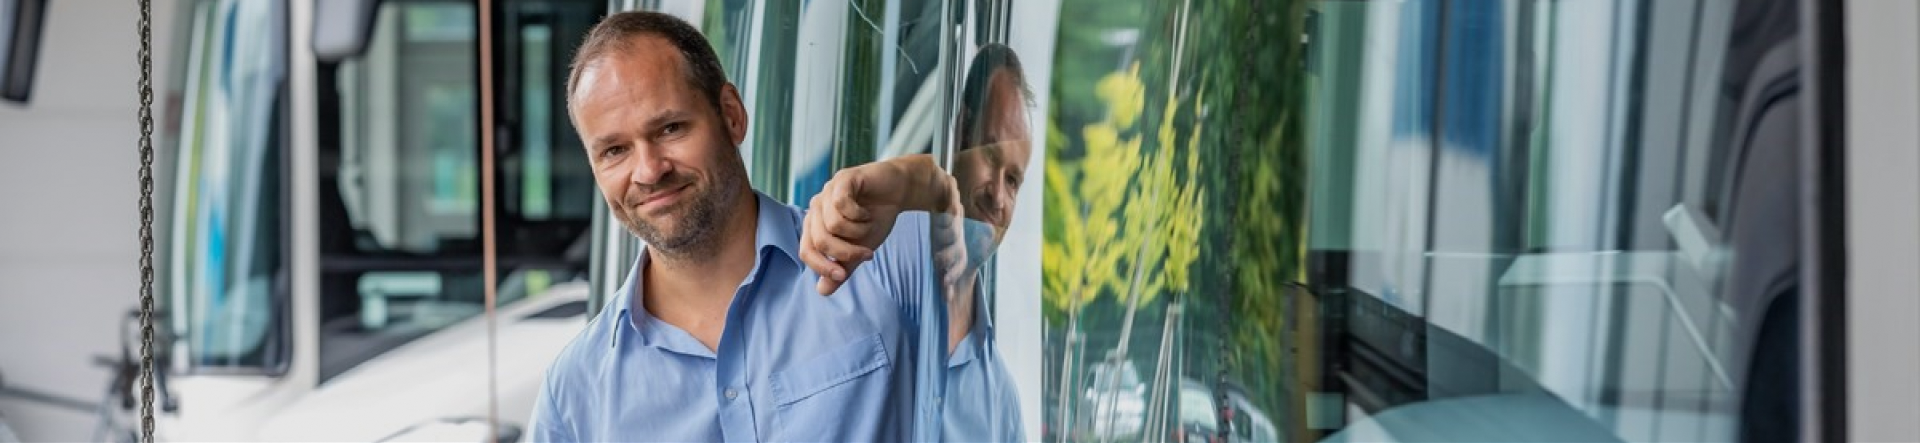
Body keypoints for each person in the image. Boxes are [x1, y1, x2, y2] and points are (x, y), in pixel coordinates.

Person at [525, 11, 1016, 442]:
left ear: (732, 116)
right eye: (615, 151)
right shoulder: (575, 394)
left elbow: (1007, 180)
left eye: (670, 128)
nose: (649, 170)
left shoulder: (881, 255)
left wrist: (904, 181)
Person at [807, 43, 1034, 442]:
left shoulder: (1002, 403)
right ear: (961, 133)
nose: (998, 196)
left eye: (1013, 180)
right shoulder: (862, 275)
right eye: (991, 157)